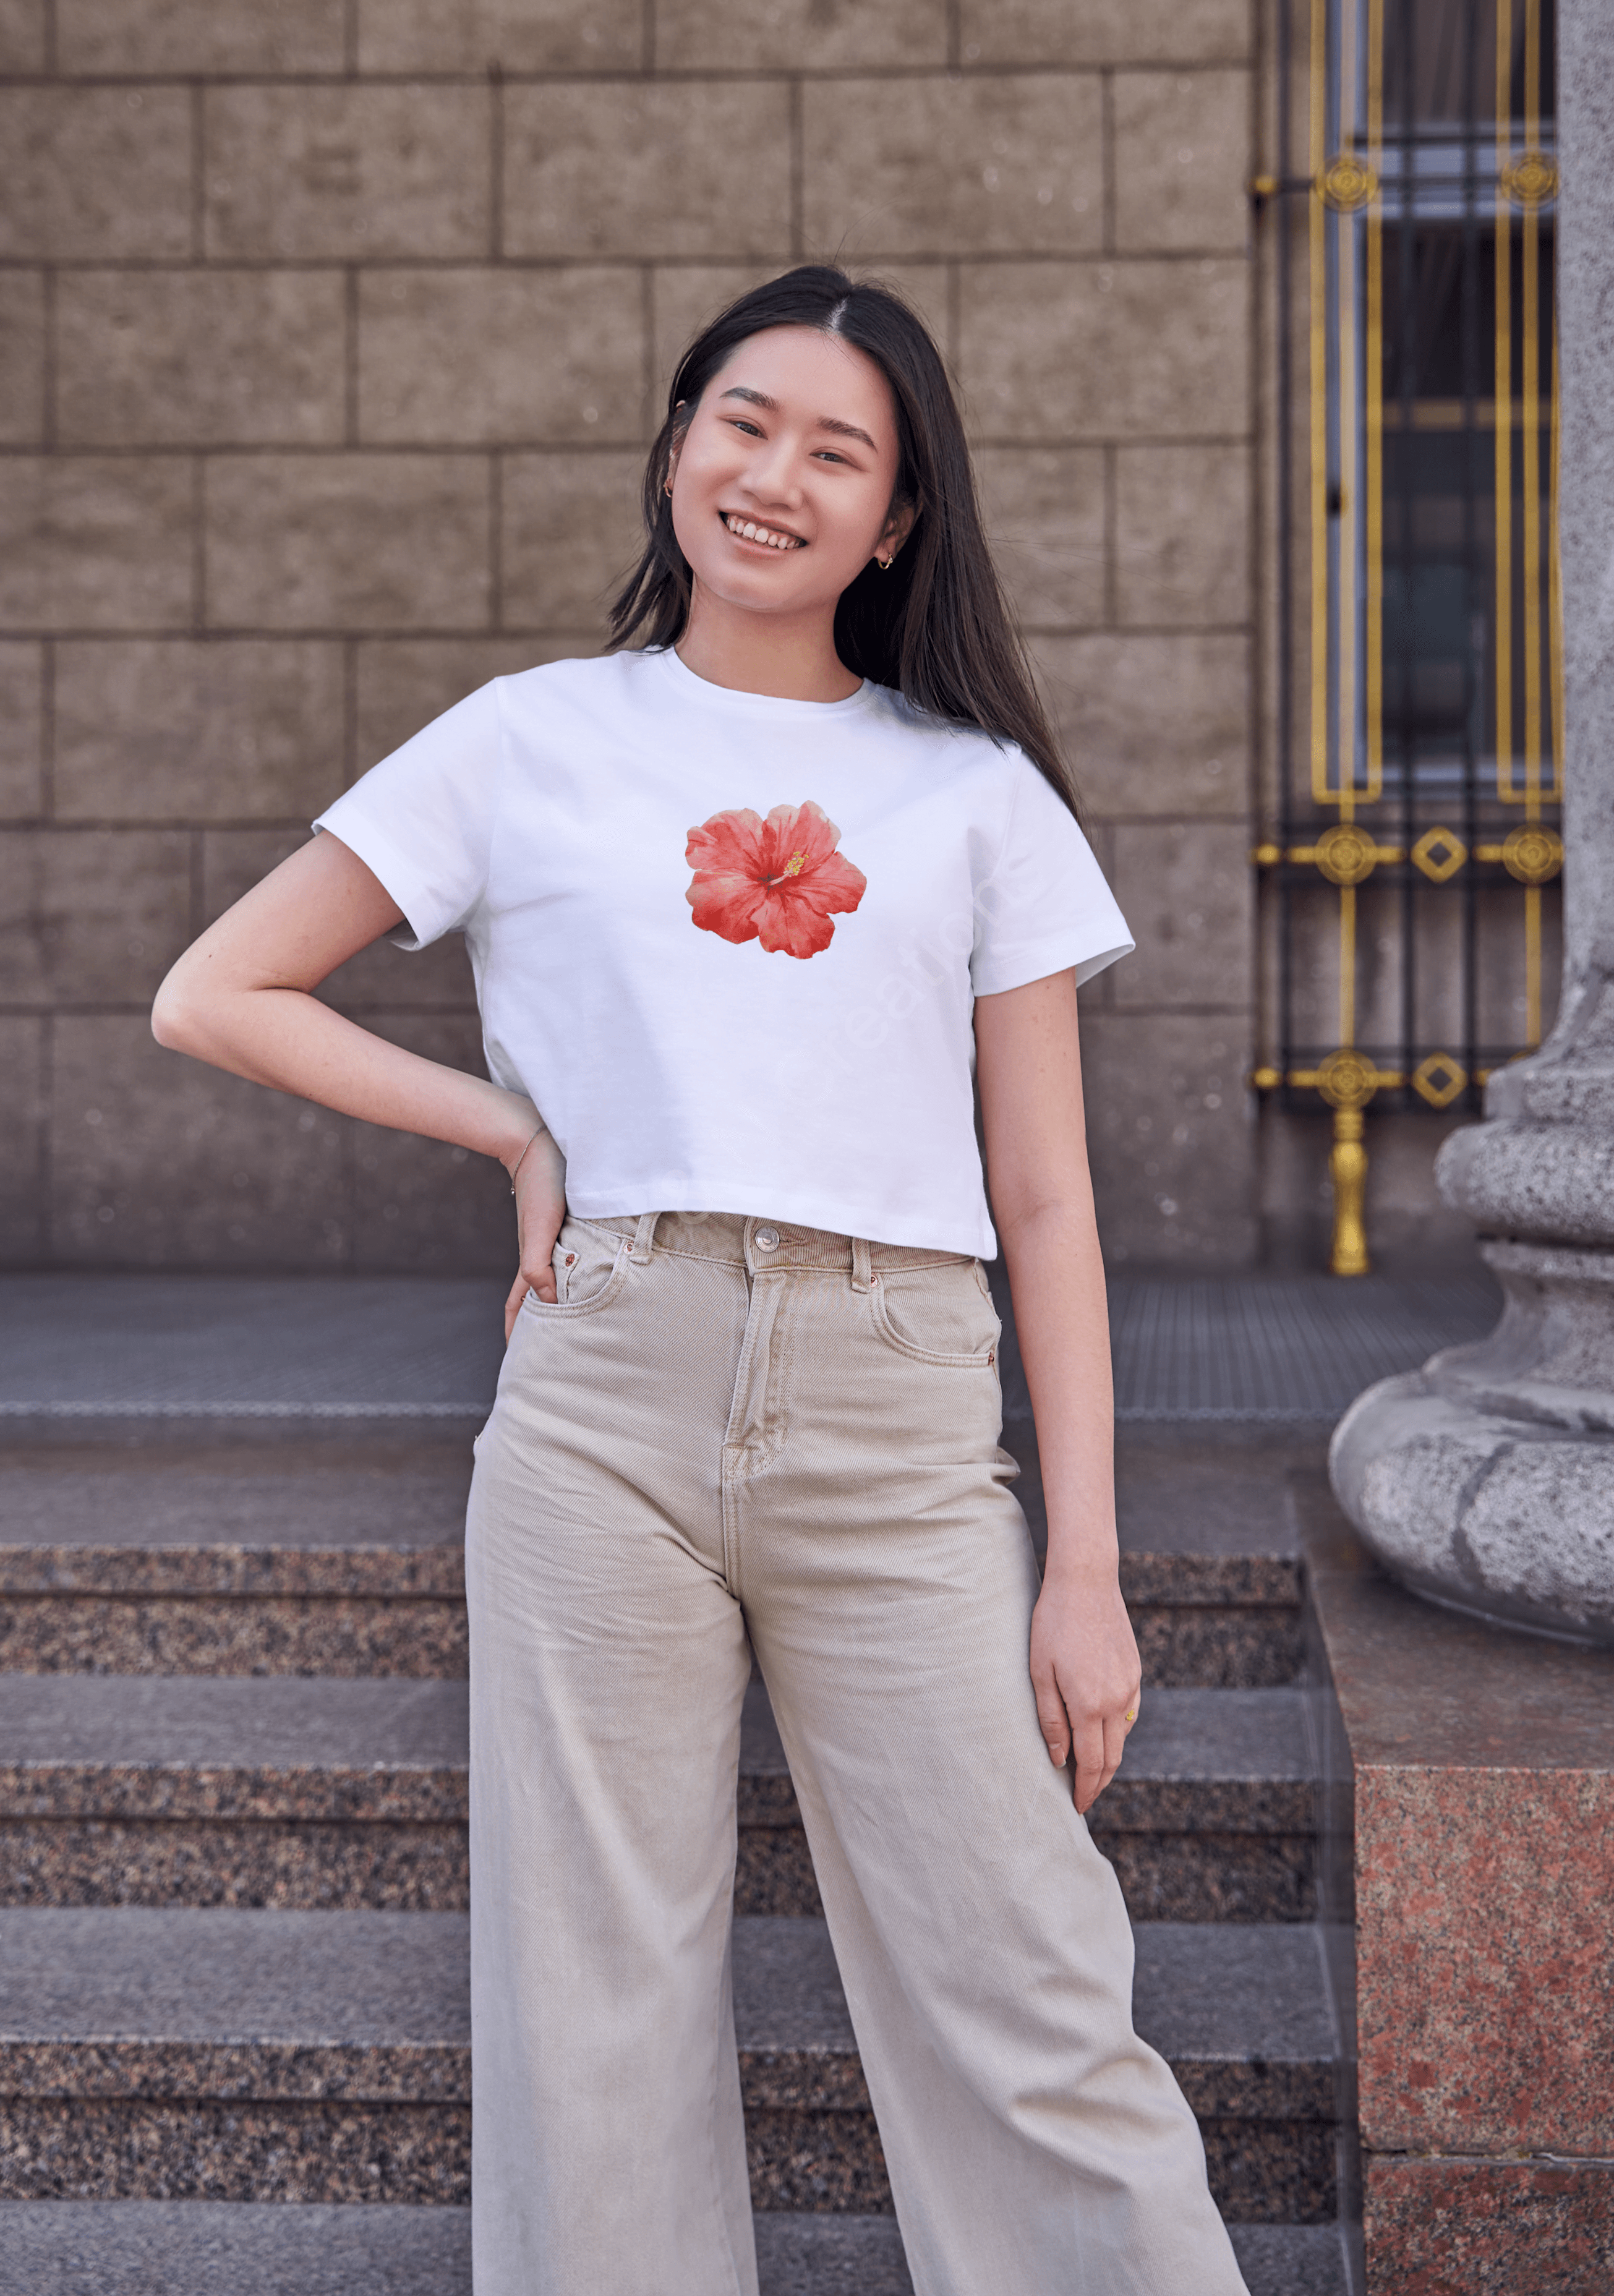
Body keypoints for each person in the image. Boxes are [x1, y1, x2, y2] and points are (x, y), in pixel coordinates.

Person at [153, 265, 1248, 2295]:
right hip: (603, 1406)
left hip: (901, 1407)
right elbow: (216, 991)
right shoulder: (526, 739)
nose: (774, 476)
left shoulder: (973, 793)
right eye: (742, 423)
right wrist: (510, 1129)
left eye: (839, 450)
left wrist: (1083, 1569)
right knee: (594, 2021)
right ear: (676, 445)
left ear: (900, 518)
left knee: (1029, 1992)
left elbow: (1051, 1199)